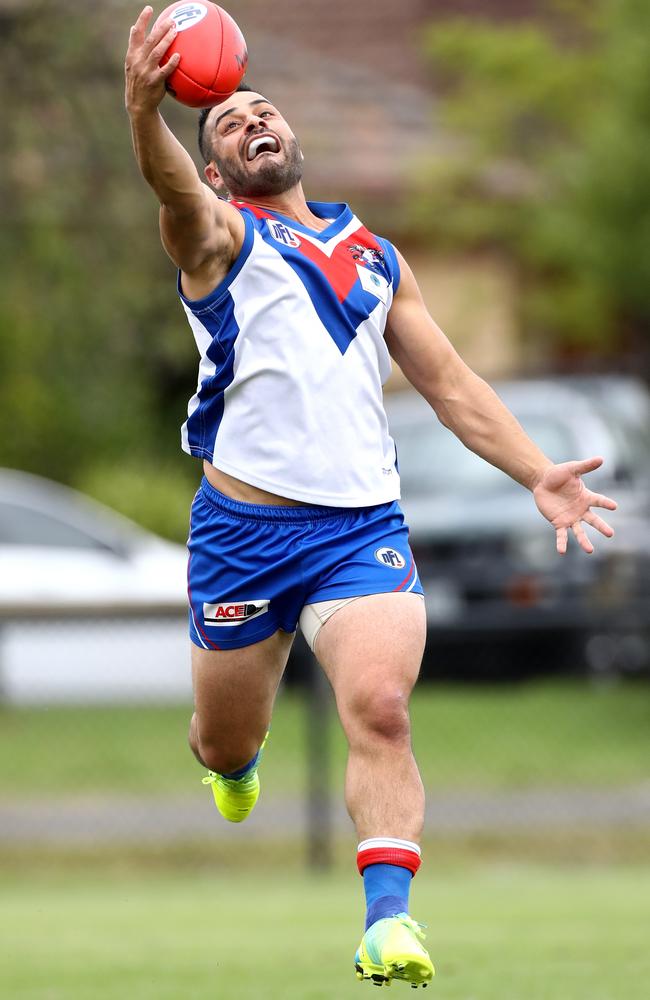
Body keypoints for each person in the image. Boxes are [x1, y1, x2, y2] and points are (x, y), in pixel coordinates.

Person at [125, 7, 617, 989]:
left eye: (262, 110)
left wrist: (535, 472)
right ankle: (229, 762)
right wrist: (146, 115)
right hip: (241, 535)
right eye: (228, 123)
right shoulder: (219, 239)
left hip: (358, 528)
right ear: (215, 171)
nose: (251, 120)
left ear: (294, 138)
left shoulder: (375, 256)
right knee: (225, 737)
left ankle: (388, 921)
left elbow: (451, 386)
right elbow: (172, 193)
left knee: (382, 708)